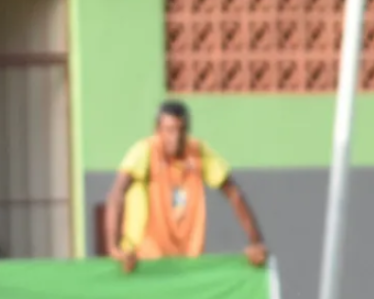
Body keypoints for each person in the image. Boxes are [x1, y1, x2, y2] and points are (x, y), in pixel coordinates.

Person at [104, 100, 268, 272]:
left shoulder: (197, 152)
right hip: (144, 261)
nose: (176, 138)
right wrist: (114, 248)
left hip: (187, 263)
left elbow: (233, 193)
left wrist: (256, 242)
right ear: (157, 130)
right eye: (169, 130)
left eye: (181, 130)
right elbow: (116, 194)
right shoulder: (145, 151)